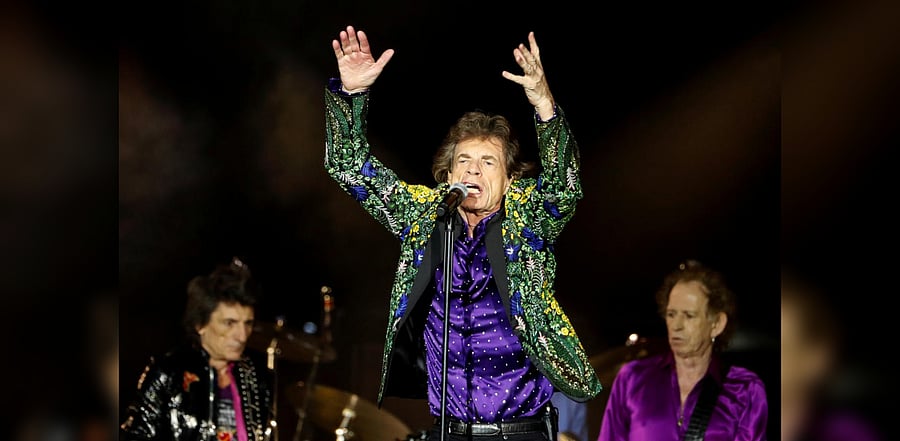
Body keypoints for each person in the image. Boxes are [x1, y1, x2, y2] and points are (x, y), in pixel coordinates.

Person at [324, 25, 601, 441]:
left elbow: (564, 187)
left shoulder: (526, 217)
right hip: (448, 432)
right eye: (464, 161)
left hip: (522, 432)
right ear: (448, 175)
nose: (473, 169)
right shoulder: (425, 216)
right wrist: (349, 96)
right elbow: (349, 168)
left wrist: (544, 104)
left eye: (488, 162)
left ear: (509, 181)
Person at [597, 259, 768, 441]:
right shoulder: (632, 378)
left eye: (689, 316)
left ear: (717, 324)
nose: (676, 325)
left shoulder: (745, 389)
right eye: (671, 314)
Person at [120, 257, 275, 441]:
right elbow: (135, 435)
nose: (242, 336)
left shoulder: (255, 376)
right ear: (200, 324)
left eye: (247, 324)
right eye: (229, 323)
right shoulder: (169, 372)